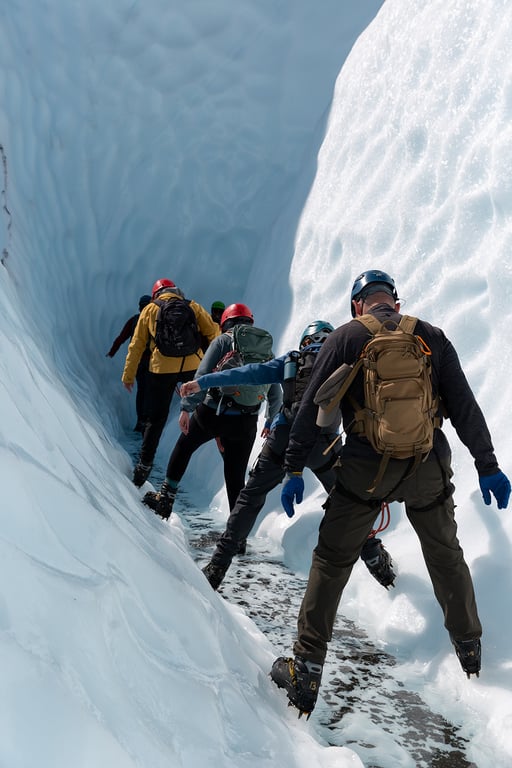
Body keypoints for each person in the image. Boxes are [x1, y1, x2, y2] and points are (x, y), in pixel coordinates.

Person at [270, 269, 511, 718]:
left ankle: (305, 669)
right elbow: (464, 406)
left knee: (332, 559)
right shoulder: (430, 335)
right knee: (444, 554)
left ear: (356, 305)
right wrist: (488, 465)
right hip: (427, 468)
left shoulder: (344, 337)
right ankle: (469, 647)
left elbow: (308, 410)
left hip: (364, 472)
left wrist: (293, 468)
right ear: (395, 304)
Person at [186, 320, 395, 592]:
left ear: (304, 342)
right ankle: (375, 558)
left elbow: (249, 373)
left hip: (283, 439)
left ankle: (218, 565)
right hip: (325, 446)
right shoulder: (343, 363)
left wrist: (203, 381)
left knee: (251, 497)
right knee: (349, 501)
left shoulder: (291, 362)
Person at [142, 303, 282, 520]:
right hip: (247, 421)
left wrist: (187, 408)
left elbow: (202, 376)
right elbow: (275, 391)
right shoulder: (265, 350)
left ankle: (165, 499)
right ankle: (237, 533)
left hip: (213, 413)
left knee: (184, 446)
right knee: (235, 475)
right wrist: (270, 419)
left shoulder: (223, 340)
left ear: (226, 321)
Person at [122, 279, 219, 487]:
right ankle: (219, 436)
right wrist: (211, 363)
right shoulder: (191, 305)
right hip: (193, 364)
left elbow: (136, 345)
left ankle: (144, 466)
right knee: (206, 403)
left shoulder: (150, 309)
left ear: (156, 294)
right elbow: (213, 332)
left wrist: (128, 375)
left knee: (155, 419)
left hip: (162, 369)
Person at [106, 294, 152, 432]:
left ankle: (141, 421)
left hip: (138, 361)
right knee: (151, 390)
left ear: (139, 307)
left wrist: (112, 352)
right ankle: (148, 421)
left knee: (142, 390)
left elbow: (121, 338)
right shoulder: (155, 320)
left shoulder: (134, 320)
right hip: (153, 362)